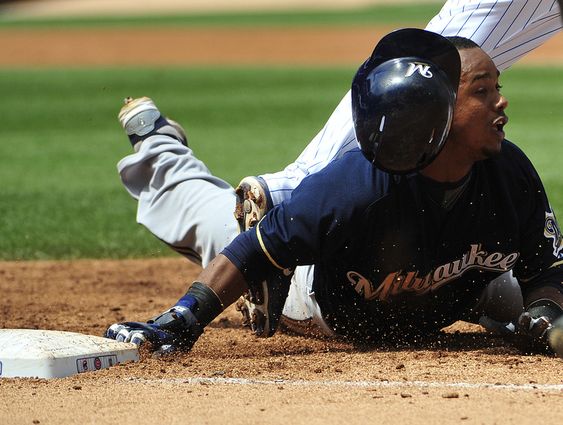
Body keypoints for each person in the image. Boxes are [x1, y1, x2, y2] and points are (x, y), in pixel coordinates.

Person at [105, 29, 563, 356]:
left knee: (531, 308)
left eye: (497, 88)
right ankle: (161, 148)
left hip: (455, 289)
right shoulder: (361, 185)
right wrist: (184, 319)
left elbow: (549, 269)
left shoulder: (511, 173)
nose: (501, 102)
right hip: (319, 300)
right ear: (437, 109)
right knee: (211, 220)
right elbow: (251, 250)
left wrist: (544, 308)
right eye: (482, 91)